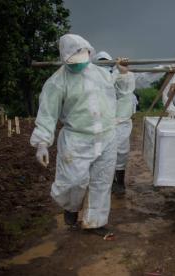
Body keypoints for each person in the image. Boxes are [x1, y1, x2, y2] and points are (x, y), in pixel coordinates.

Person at [30, 34, 135, 235]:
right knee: (74, 181)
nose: (79, 65)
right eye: (74, 62)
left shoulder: (101, 74)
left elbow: (123, 94)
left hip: (106, 137)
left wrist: (122, 74)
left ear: (89, 53)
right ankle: (71, 207)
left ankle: (95, 222)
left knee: (101, 181)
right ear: (65, 59)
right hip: (77, 139)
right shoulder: (57, 82)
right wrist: (42, 143)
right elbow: (47, 113)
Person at [94, 51, 162, 195]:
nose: (103, 67)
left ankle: (119, 182)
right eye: (100, 62)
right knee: (102, 153)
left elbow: (139, 82)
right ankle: (108, 181)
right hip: (101, 123)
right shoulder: (94, 80)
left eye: (105, 63)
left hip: (122, 121)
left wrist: (166, 67)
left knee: (122, 152)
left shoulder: (121, 77)